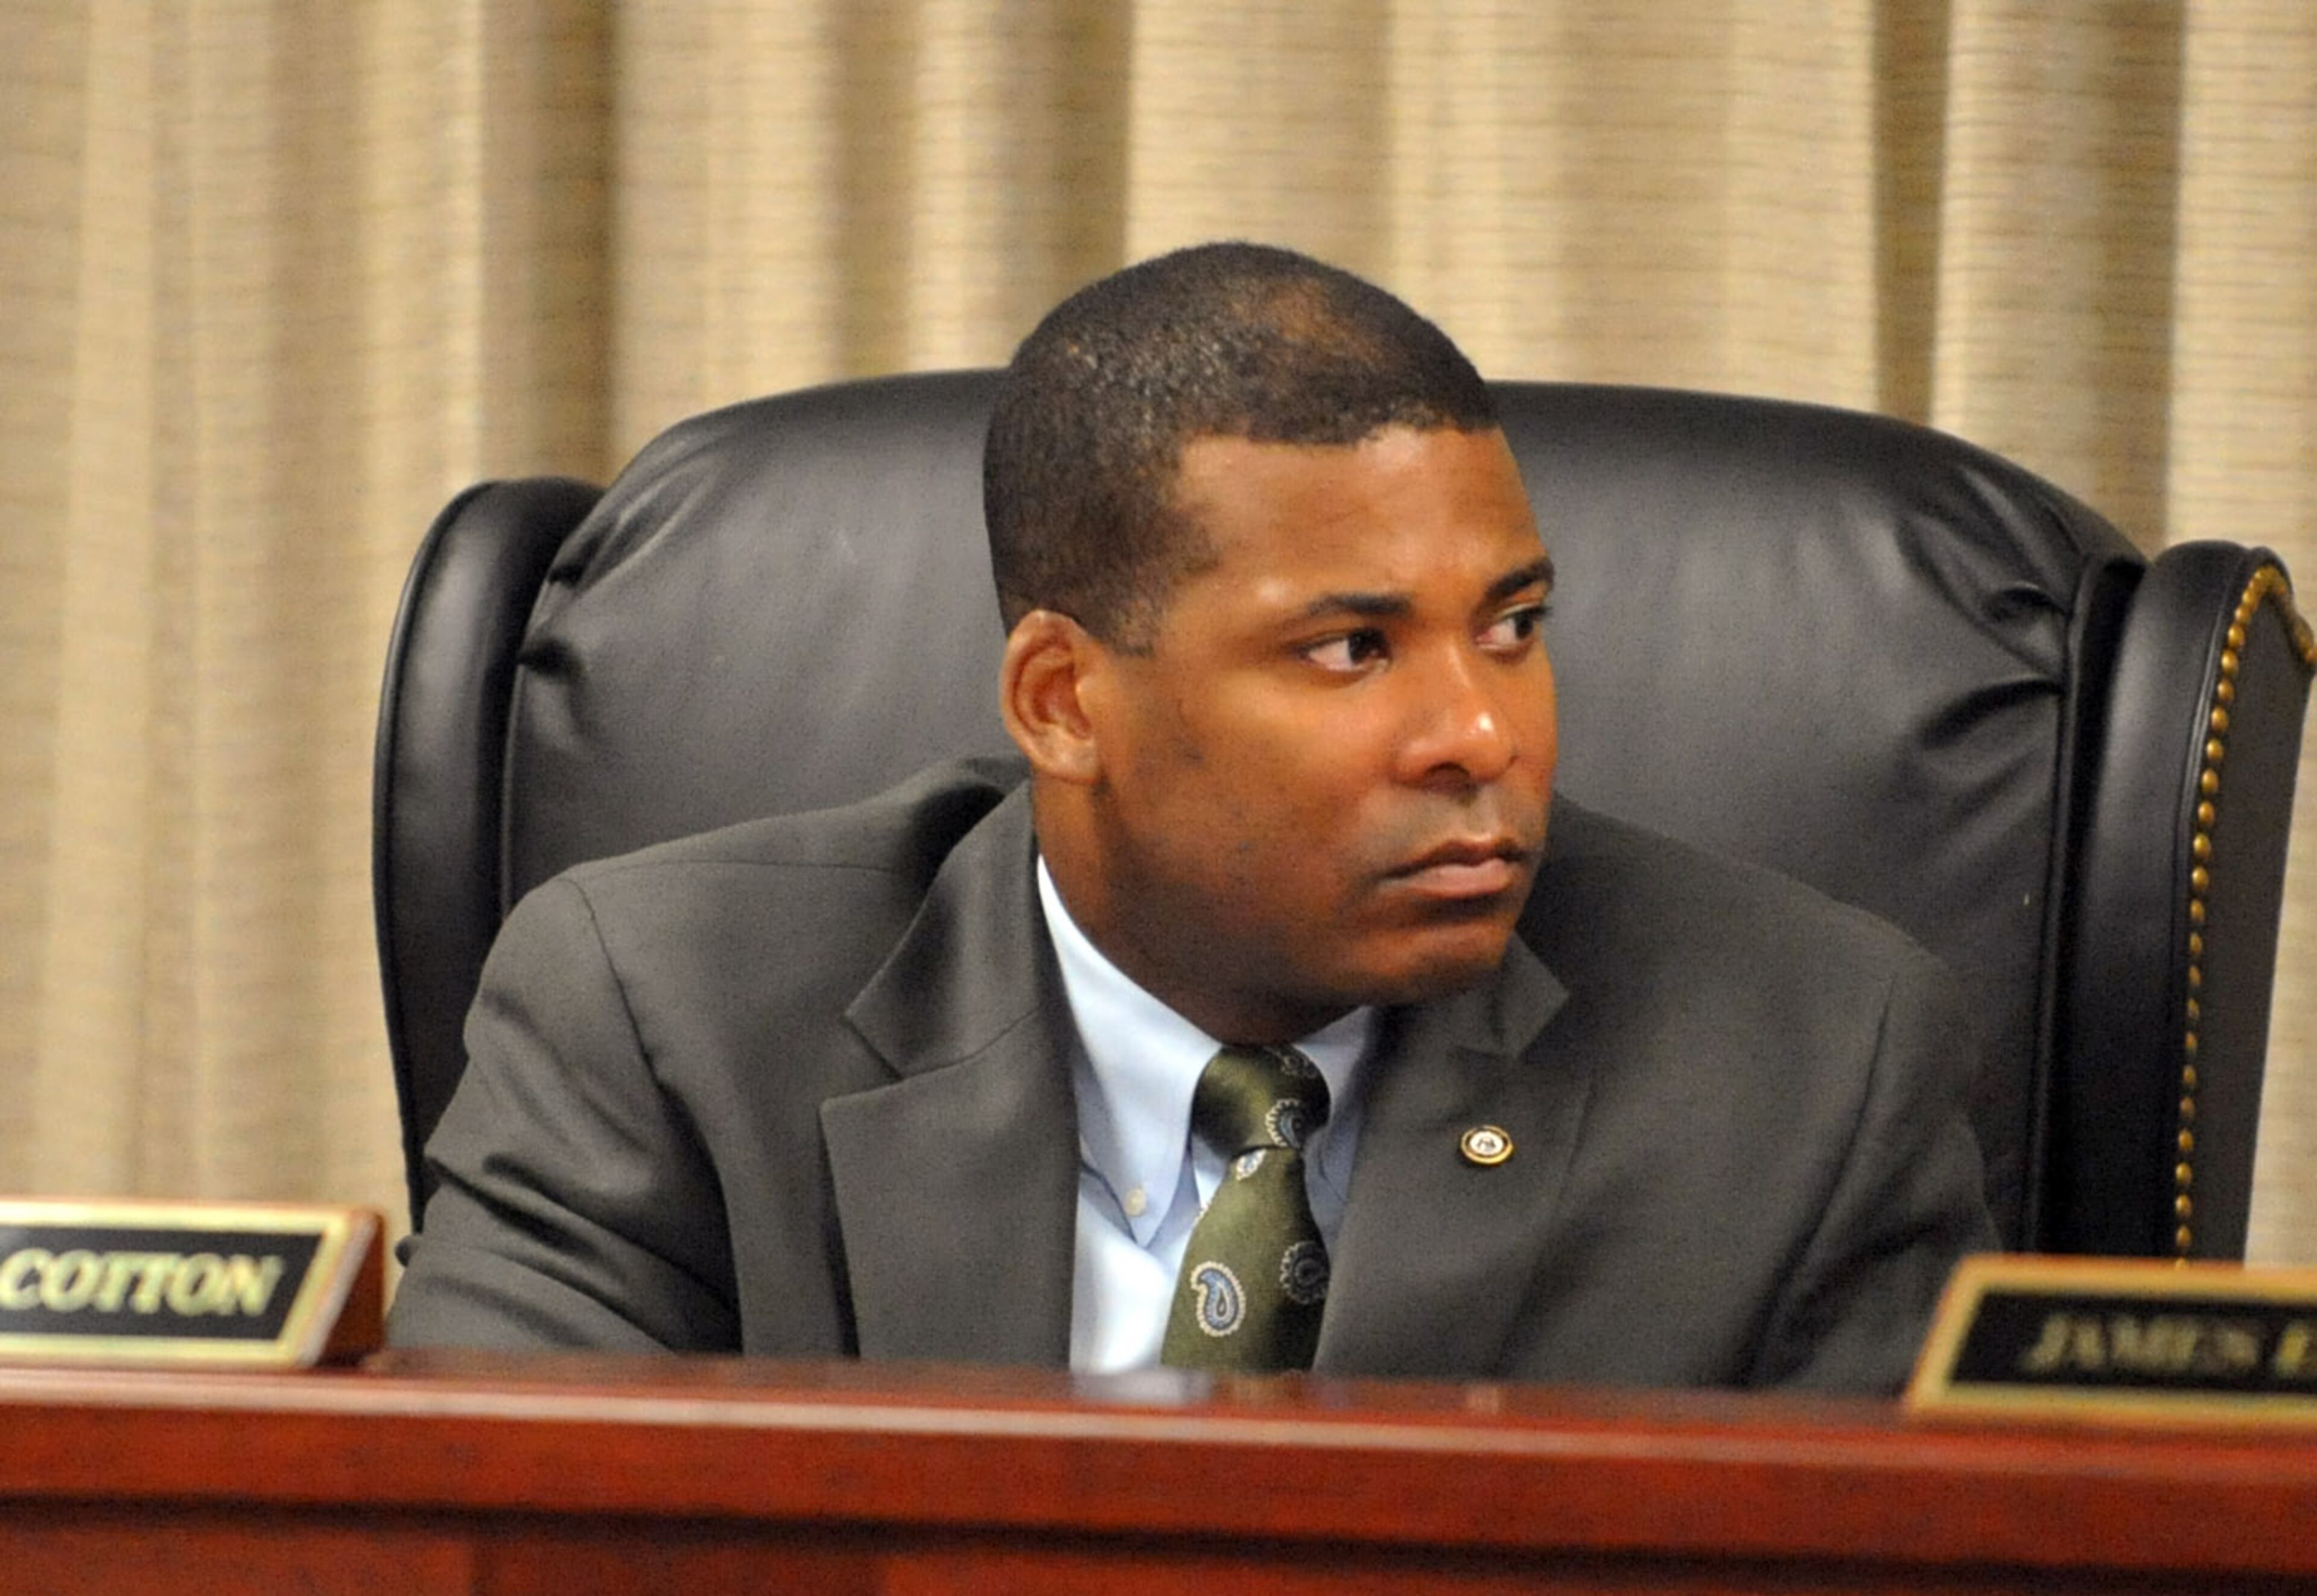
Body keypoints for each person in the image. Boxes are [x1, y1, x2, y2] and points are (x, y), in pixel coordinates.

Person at [387, 242, 1994, 1391]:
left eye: (1512, 625)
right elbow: (490, 1548)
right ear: (1065, 705)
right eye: (1352, 649)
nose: (1485, 733)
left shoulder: (1807, 1069)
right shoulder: (661, 1017)